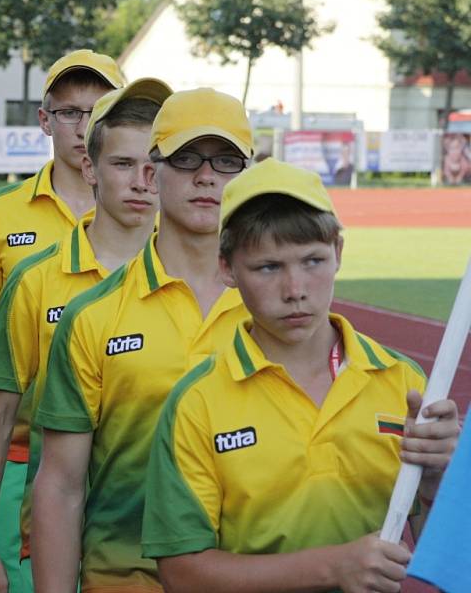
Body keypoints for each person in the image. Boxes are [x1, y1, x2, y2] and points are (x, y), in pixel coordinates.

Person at [141, 158, 461, 593]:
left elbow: (443, 556)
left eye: (312, 260)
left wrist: (438, 481)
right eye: (268, 268)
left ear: (339, 254)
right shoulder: (197, 402)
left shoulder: (401, 382)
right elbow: (182, 574)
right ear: (227, 269)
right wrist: (334, 567)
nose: (295, 290)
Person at [31, 88, 254, 592]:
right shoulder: (93, 315)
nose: (206, 176)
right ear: (154, 174)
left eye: (226, 161)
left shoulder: (280, 313)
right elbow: (61, 486)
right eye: (187, 158)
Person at [0, 78, 171, 593]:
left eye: (153, 167)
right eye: (123, 165)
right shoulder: (36, 280)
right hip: (62, 542)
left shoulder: (204, 281)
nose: (141, 182)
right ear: (89, 170)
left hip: (175, 547)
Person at [0, 50, 124, 590]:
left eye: (99, 111)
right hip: (20, 455)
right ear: (45, 120)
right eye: (70, 112)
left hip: (125, 454)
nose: (84, 125)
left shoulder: (149, 216)